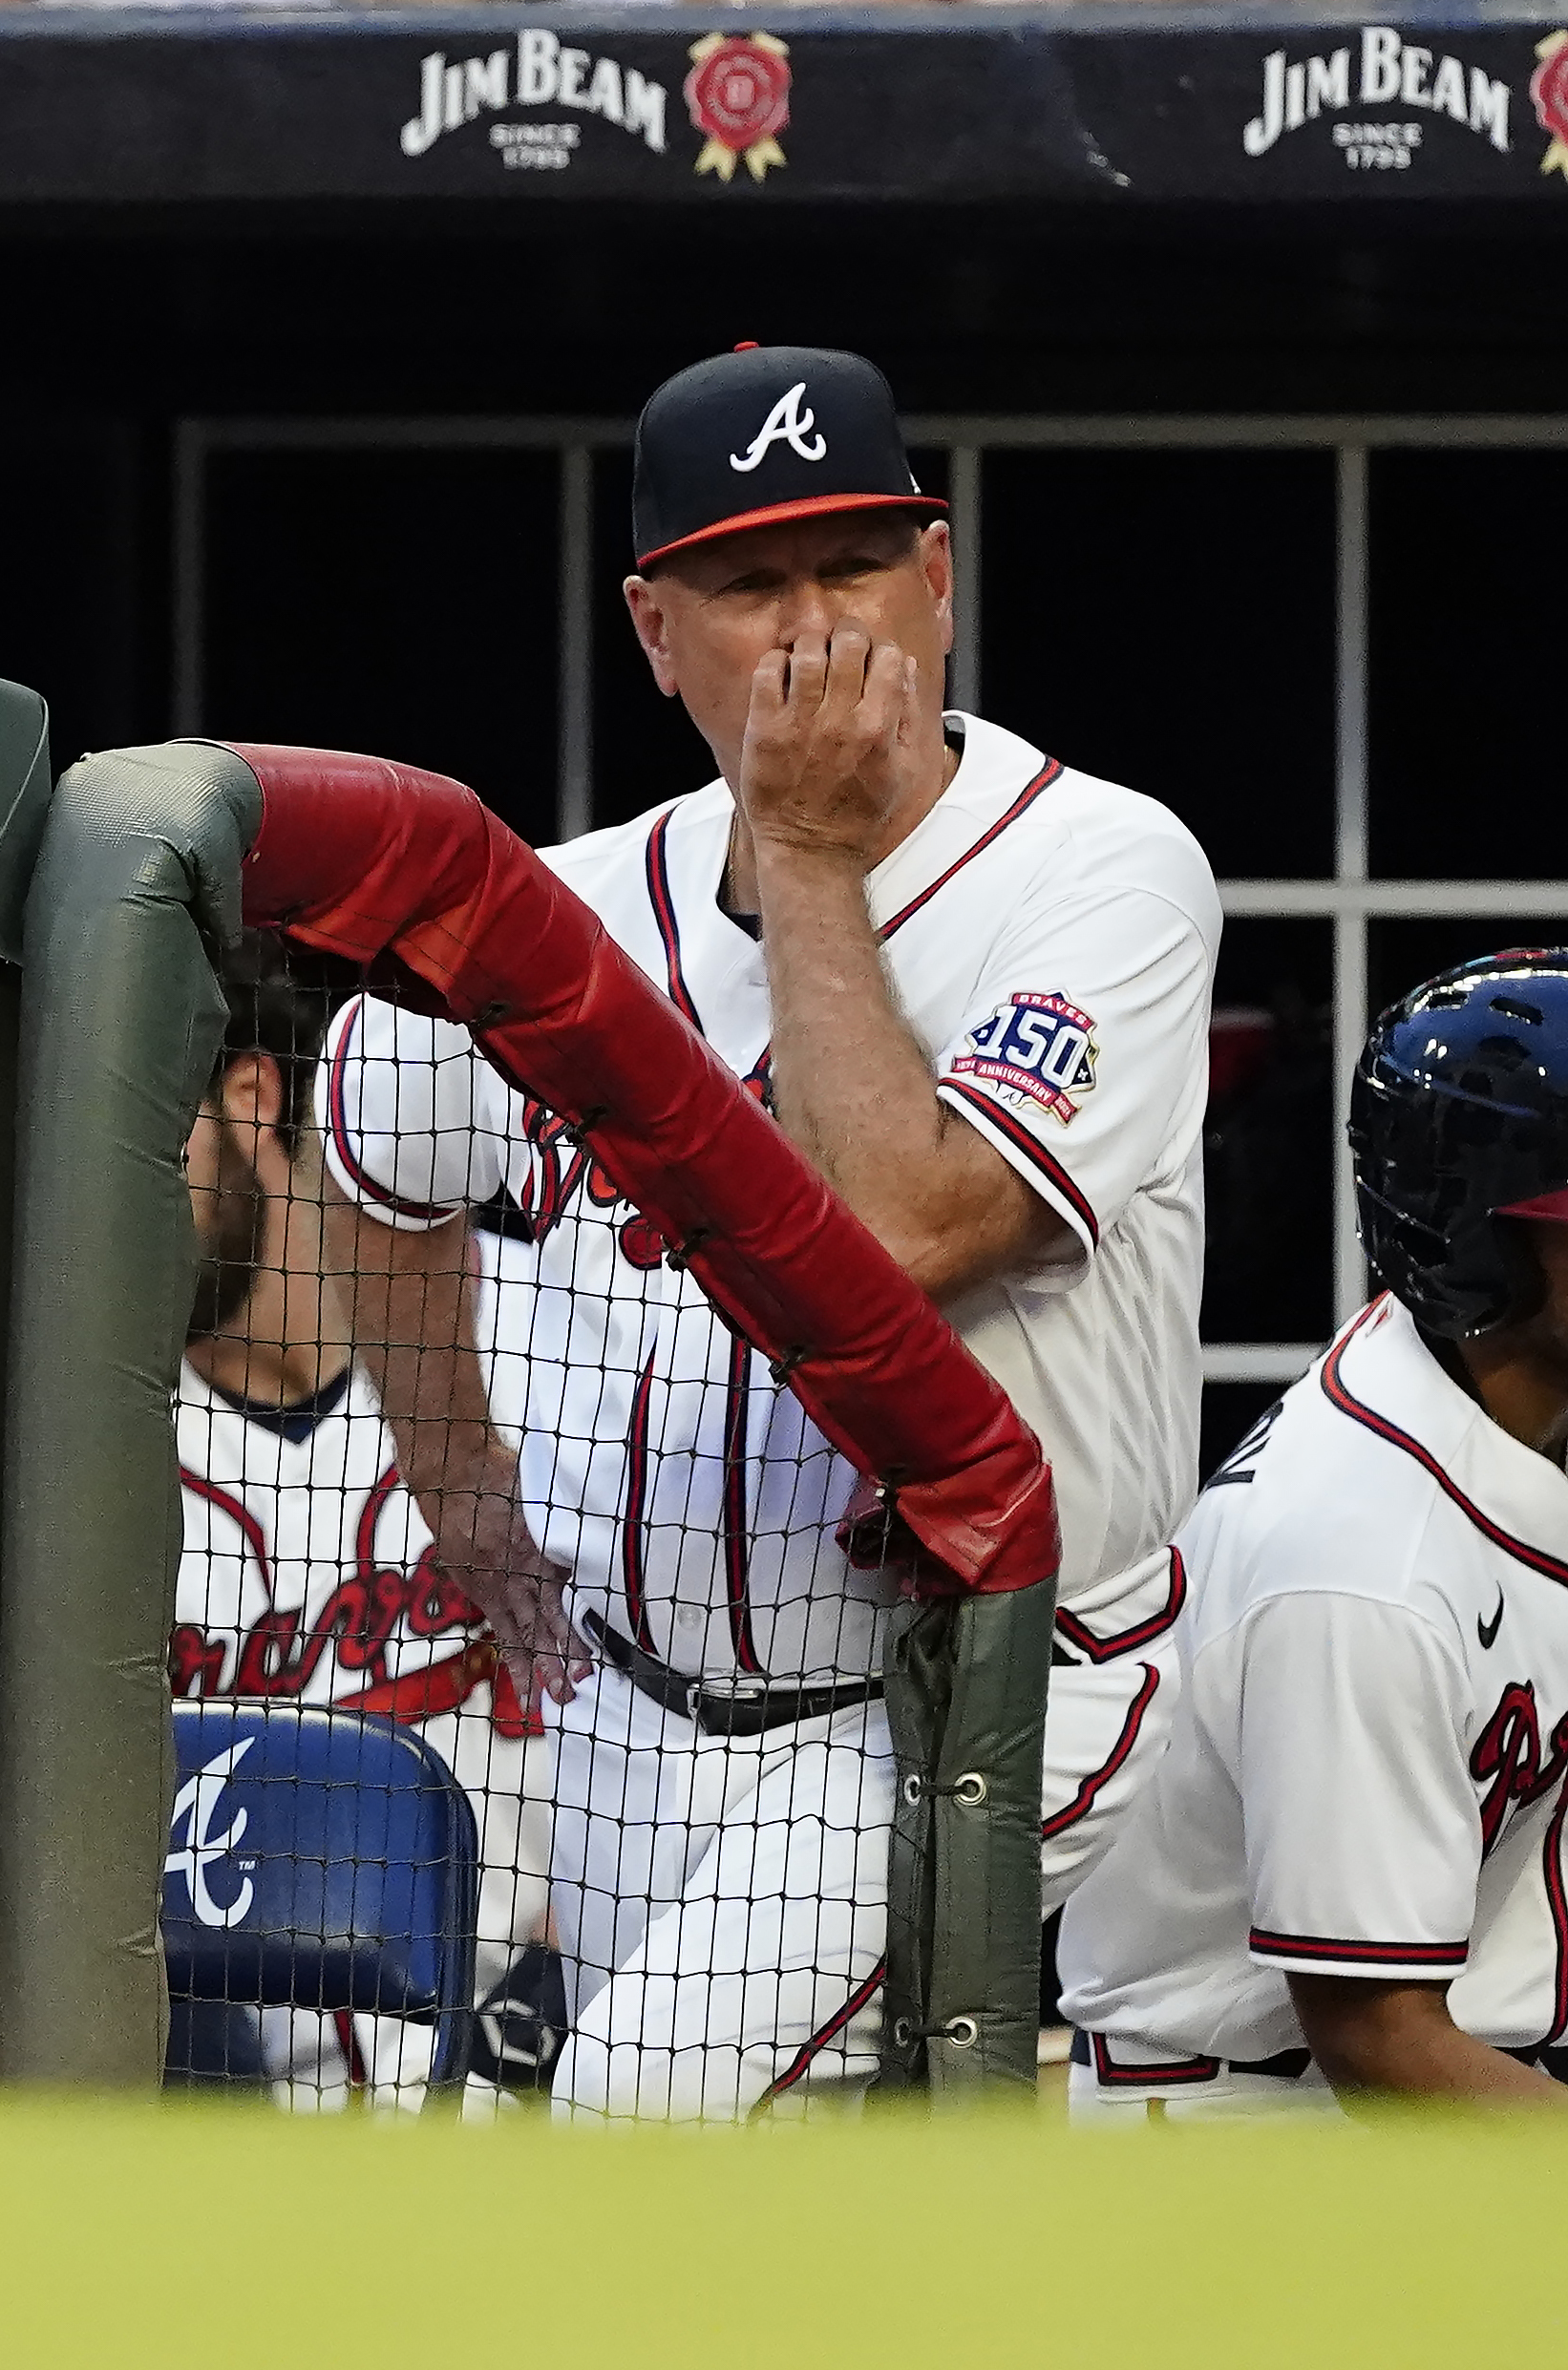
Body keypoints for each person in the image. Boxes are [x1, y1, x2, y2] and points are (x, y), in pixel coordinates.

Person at [320, 342, 1220, 2119]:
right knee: (771, 2230)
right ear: (656, 633)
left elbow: (888, 1238)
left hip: (966, 1698)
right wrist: (470, 1501)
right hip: (634, 1700)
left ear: (941, 578)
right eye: (751, 585)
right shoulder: (566, 906)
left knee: (623, 2128)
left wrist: (802, 854)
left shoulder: (1107, 871)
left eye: (859, 564)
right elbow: (377, 1162)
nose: (822, 630)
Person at [1059, 950, 1568, 2121]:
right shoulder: (1360, 1565)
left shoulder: (1489, 1405)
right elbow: (1380, 2046)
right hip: (1263, 2143)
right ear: (1475, 1238)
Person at [173, 933, 561, 2105]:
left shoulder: (539, 1342)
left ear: (252, 1095)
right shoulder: (84, 1469)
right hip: (245, 2157)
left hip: (567, 2086)